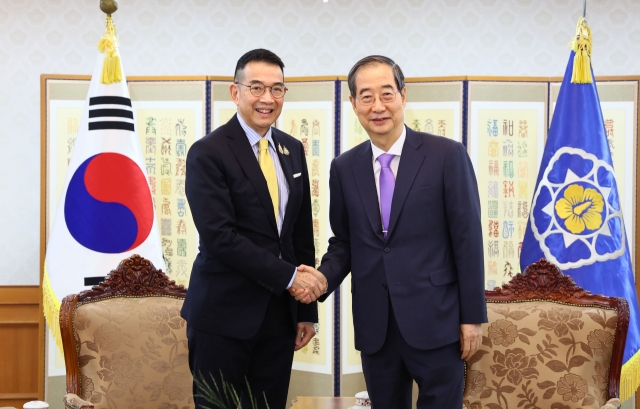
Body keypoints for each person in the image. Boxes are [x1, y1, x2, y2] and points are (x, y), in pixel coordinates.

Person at [292, 55, 487, 408]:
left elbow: (468, 242)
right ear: (353, 104)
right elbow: (345, 242)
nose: (378, 106)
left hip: (437, 322)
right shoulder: (345, 167)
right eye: (366, 96)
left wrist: (472, 318)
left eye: (386, 94)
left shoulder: (446, 156)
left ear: (403, 96)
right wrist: (322, 279)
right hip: (376, 326)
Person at [182, 48, 326, 409]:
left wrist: (306, 310)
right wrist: (291, 279)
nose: (267, 98)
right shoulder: (209, 152)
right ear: (236, 92)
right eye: (257, 87)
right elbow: (220, 238)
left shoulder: (291, 149)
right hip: (222, 316)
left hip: (279, 318)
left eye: (277, 89)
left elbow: (298, 234)